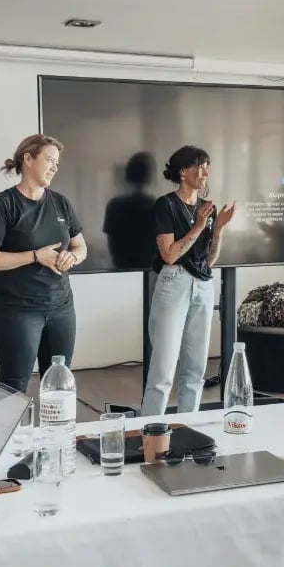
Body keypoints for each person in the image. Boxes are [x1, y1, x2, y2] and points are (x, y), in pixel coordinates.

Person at [0, 134, 87, 393]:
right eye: (49, 160)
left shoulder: (61, 203)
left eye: (57, 163)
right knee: (12, 388)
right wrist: (35, 256)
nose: (54, 168)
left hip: (61, 308)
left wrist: (73, 256)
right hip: (17, 311)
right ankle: (10, 435)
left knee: (59, 384)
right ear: (27, 159)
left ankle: (55, 435)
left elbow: (81, 246)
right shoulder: (2, 205)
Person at [141, 146, 235, 415]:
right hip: (174, 283)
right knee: (163, 370)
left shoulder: (208, 209)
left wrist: (218, 229)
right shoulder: (166, 205)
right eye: (200, 165)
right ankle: (150, 434)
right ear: (183, 171)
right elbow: (169, 255)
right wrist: (198, 226)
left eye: (207, 165)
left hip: (203, 284)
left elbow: (209, 261)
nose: (205, 171)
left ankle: (188, 431)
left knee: (195, 370)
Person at [103, 151, 157, 270]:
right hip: (150, 273)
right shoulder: (158, 207)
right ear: (151, 177)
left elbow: (112, 246)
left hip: (122, 272)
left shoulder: (114, 206)